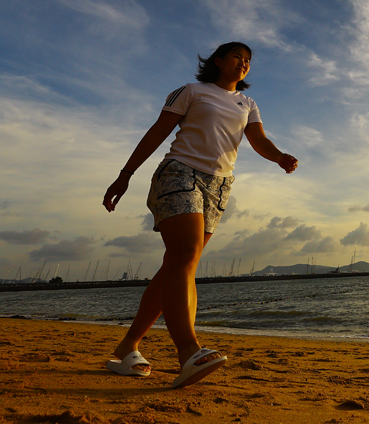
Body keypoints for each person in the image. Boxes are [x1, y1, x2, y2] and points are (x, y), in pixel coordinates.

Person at [102, 42, 298, 388]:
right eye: (238, 56)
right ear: (219, 60)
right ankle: (188, 351)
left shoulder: (247, 103)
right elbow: (157, 132)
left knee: (178, 266)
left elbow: (259, 140)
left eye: (249, 60)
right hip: (180, 173)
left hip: (220, 187)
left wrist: (280, 156)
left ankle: (127, 346)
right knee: (185, 256)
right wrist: (125, 174)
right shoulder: (192, 91)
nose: (244, 63)